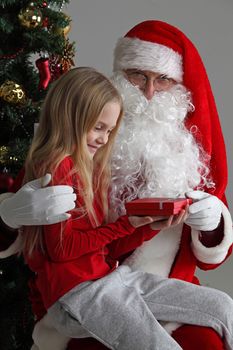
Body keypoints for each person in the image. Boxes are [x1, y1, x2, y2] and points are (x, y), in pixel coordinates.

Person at [0, 20, 233, 350]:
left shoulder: (183, 152)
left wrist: (195, 225)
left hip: (126, 278)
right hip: (83, 295)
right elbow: (60, 247)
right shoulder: (64, 163)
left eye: (163, 79)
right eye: (139, 75)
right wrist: (8, 214)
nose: (149, 92)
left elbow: (208, 254)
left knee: (224, 308)